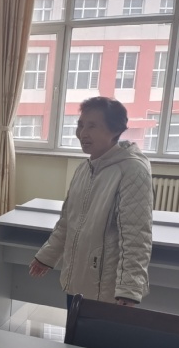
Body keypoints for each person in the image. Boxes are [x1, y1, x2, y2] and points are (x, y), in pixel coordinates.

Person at [30, 97, 153, 306]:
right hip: (77, 280)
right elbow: (67, 222)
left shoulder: (132, 171)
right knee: (74, 327)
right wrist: (47, 256)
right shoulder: (84, 168)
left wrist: (129, 289)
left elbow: (136, 235)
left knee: (96, 329)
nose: (83, 133)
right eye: (80, 125)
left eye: (92, 126)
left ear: (115, 130)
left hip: (108, 290)